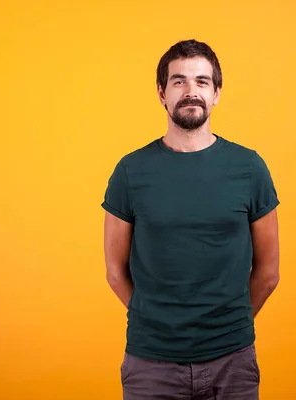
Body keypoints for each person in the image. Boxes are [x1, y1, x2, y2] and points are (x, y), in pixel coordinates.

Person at [101, 39, 280, 400]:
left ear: (216, 93)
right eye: (178, 81)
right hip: (151, 364)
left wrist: (230, 325)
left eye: (201, 81)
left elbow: (268, 272)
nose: (190, 91)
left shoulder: (249, 168)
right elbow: (115, 271)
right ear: (161, 93)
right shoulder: (130, 171)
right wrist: (158, 322)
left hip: (233, 362)